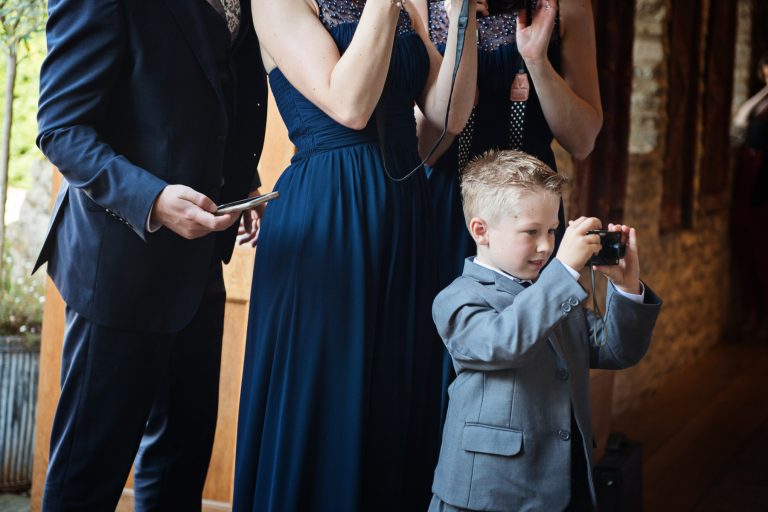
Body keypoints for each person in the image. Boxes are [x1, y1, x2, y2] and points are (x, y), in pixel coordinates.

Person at [233, 1, 477, 510]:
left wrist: (462, 16)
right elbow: (349, 104)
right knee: (326, 404)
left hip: (407, 217)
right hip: (330, 215)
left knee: (394, 403)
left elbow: (448, 113)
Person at [34, 1, 267, 510]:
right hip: (117, 269)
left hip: (202, 264)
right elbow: (61, 129)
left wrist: (240, 182)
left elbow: (219, 92)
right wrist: (154, 202)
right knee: (86, 479)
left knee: (178, 473)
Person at [429, 150, 662, 511]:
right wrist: (564, 271)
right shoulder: (458, 299)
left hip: (562, 484)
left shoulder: (553, 292)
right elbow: (504, 343)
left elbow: (618, 350)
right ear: (481, 230)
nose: (546, 246)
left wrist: (627, 287)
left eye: (552, 230)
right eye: (531, 232)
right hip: (487, 495)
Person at [731, 52, 768, 339]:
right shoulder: (761, 103)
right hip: (751, 184)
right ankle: (754, 318)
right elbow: (739, 122)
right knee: (749, 253)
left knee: (762, 256)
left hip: (764, 186)